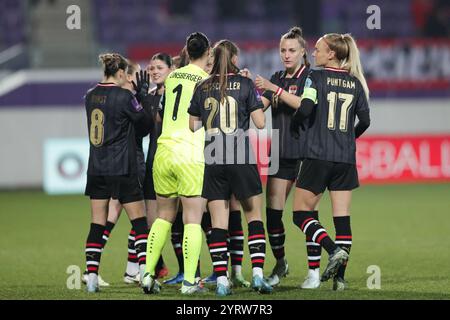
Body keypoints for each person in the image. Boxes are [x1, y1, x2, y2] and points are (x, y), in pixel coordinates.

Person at [189, 39, 272, 296]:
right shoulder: (246, 84)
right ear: (234, 59)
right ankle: (257, 274)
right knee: (254, 216)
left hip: (214, 159)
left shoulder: (202, 86)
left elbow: (192, 126)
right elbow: (259, 123)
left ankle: (223, 279)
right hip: (240, 157)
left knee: (218, 223)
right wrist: (256, 99)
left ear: (213, 59)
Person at [290, 33, 370, 291]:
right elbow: (366, 121)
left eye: (318, 49)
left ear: (331, 54)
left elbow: (305, 109)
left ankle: (332, 249)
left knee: (301, 214)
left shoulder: (315, 76)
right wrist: (348, 139)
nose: (313, 53)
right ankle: (340, 280)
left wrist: (294, 125)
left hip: (318, 156)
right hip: (345, 159)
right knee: (342, 219)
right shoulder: (355, 82)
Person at [142, 32, 211, 295]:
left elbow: (160, 115)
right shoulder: (207, 80)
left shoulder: (172, 78)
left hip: (163, 151)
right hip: (190, 153)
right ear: (206, 54)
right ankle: (189, 281)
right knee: (192, 219)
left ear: (186, 52)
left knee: (163, 217)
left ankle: (148, 274)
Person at [254, 26, 320, 288]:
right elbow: (260, 107)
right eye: (283, 50)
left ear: (303, 52)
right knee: (273, 216)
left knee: (307, 214)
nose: (286, 54)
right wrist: (247, 92)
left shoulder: (311, 77)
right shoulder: (277, 77)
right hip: (280, 154)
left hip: (305, 153)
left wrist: (275, 90)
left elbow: (305, 107)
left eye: (292, 50)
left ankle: (314, 271)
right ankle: (280, 263)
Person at [83, 53, 150, 292]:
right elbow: (145, 125)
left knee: (97, 224)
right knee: (140, 222)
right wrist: (140, 96)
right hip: (122, 167)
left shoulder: (89, 96)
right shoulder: (124, 97)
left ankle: (91, 277)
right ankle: (144, 274)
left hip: (97, 168)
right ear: (121, 73)